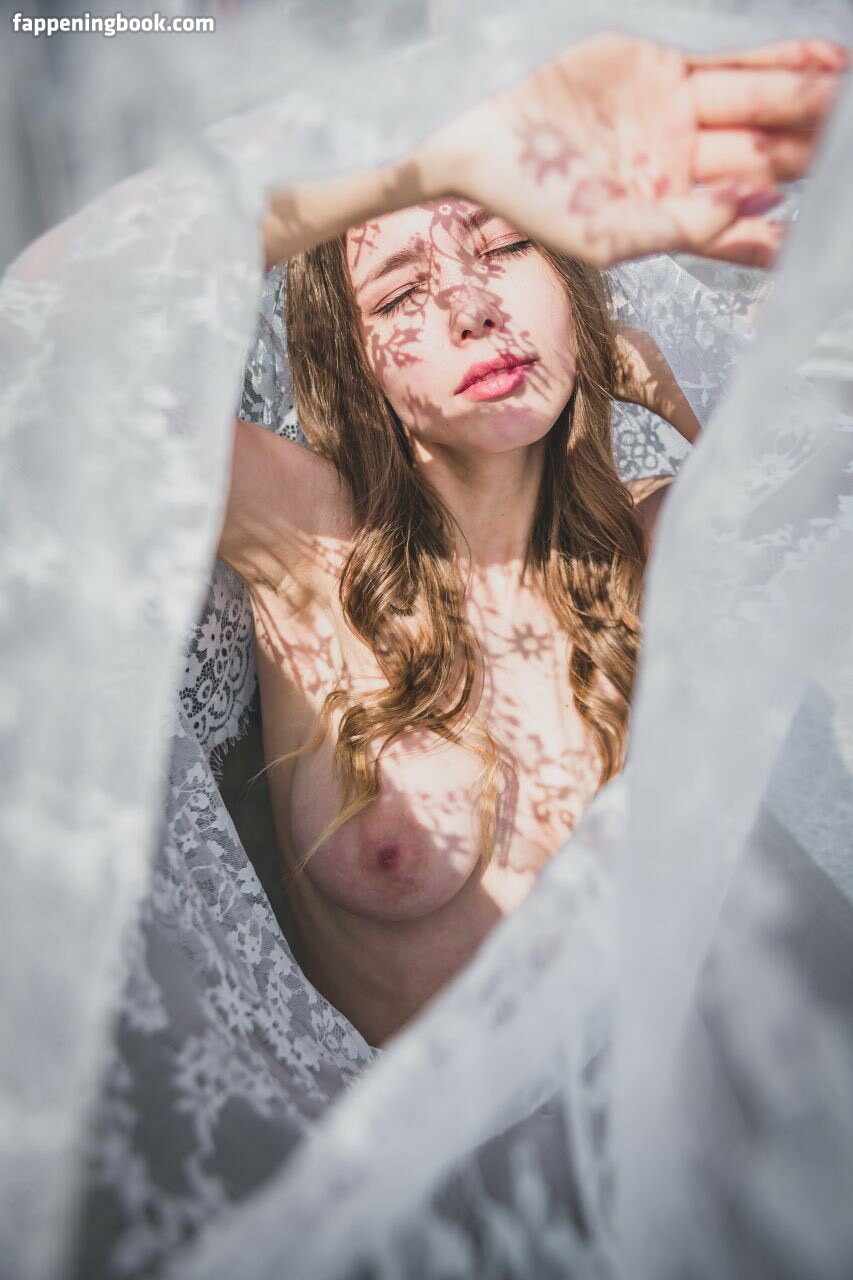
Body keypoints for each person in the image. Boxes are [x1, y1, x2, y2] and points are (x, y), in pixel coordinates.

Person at [213, 32, 846, 1047]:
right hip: (409, 1144)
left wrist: (661, 380)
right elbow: (60, 342)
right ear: (350, 363)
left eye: (506, 246)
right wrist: (447, 158)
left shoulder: (646, 538)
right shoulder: (310, 542)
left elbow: (825, 505)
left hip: (701, 1108)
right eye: (399, 293)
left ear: (573, 278)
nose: (470, 306)